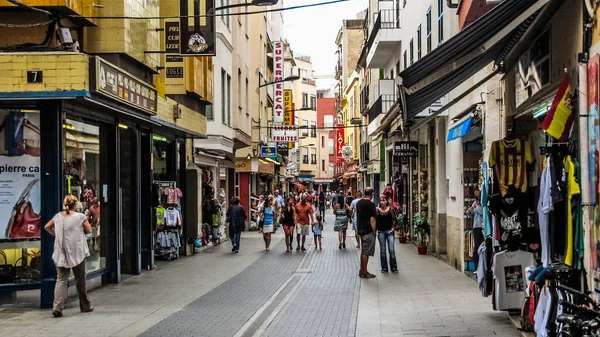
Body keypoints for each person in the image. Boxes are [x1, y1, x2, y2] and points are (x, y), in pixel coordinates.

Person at [44, 194, 94, 317]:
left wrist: (56, 234)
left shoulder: (57, 216)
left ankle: (57, 307)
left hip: (61, 252)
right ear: (76, 204)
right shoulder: (80, 217)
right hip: (77, 252)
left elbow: (47, 227)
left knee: (61, 279)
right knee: (80, 279)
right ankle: (85, 305)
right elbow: (89, 230)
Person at [356, 187, 377, 278]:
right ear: (371, 194)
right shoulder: (371, 205)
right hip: (368, 230)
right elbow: (372, 219)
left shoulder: (359, 203)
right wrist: (374, 231)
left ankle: (362, 270)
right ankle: (364, 272)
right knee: (366, 252)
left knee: (364, 251)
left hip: (361, 229)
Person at [376, 195, 398, 273]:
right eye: (380, 201)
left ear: (386, 201)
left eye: (383, 200)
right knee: (383, 250)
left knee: (391, 250)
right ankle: (384, 268)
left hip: (389, 232)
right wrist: (376, 230)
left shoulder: (391, 210)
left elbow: (394, 219)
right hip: (381, 232)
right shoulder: (377, 211)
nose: (382, 202)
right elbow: (375, 221)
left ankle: (394, 267)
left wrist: (393, 228)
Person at [468, 189, 484, 270]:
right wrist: (470, 211)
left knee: (480, 246)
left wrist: (476, 207)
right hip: (476, 227)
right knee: (477, 247)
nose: (475, 193)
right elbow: (472, 214)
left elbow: (482, 212)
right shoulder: (475, 202)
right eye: (474, 191)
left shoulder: (481, 202)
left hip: (482, 226)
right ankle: (477, 266)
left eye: (477, 191)